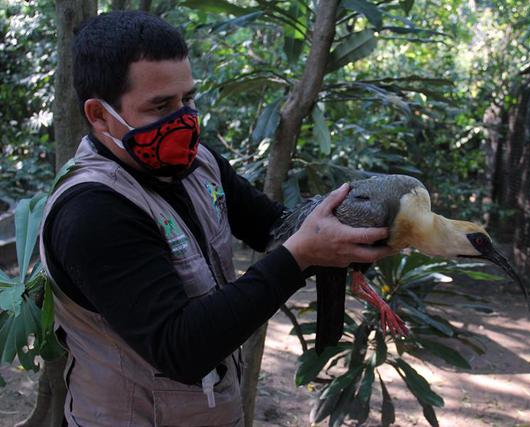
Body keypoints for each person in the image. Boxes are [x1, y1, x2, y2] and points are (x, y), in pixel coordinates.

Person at [38, 10, 392, 427]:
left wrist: (363, 226)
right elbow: (180, 349)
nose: (184, 118)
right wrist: (298, 257)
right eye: (161, 106)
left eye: (188, 99)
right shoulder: (91, 212)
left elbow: (274, 225)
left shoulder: (200, 164)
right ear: (99, 115)